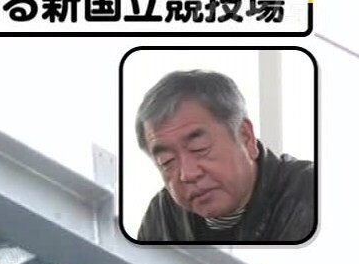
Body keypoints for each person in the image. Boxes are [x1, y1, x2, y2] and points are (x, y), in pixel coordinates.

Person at [132, 68, 316, 244]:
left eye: (199, 148)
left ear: (245, 137)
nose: (188, 174)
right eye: (167, 161)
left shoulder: (312, 193)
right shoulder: (162, 215)